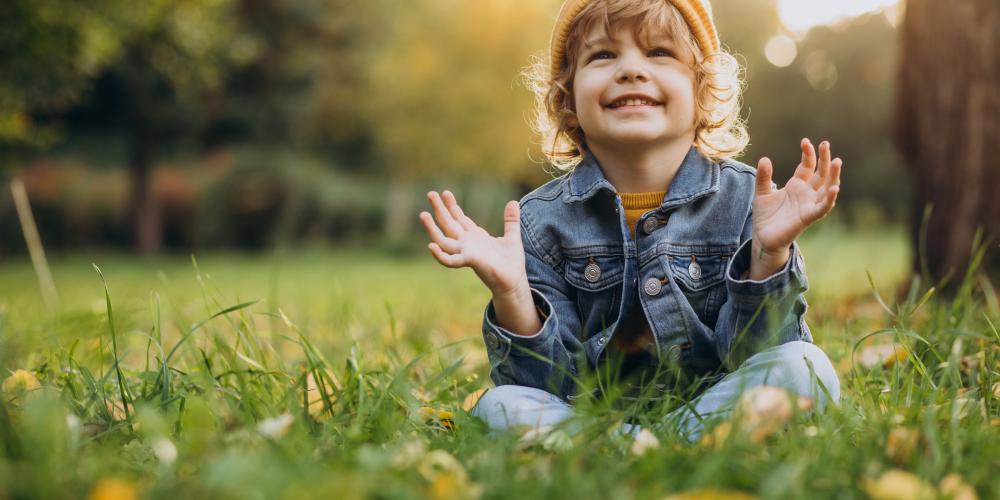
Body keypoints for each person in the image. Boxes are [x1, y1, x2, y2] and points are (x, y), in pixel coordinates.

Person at [418, 0, 842, 441]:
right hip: (593, 423)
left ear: (702, 92)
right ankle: (633, 447)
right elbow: (548, 386)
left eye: (659, 53)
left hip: (717, 407)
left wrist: (769, 256)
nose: (631, 70)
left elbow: (756, 356)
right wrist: (512, 296)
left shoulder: (746, 202)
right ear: (568, 100)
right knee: (501, 406)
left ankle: (646, 448)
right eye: (603, 55)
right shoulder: (538, 223)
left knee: (805, 367)